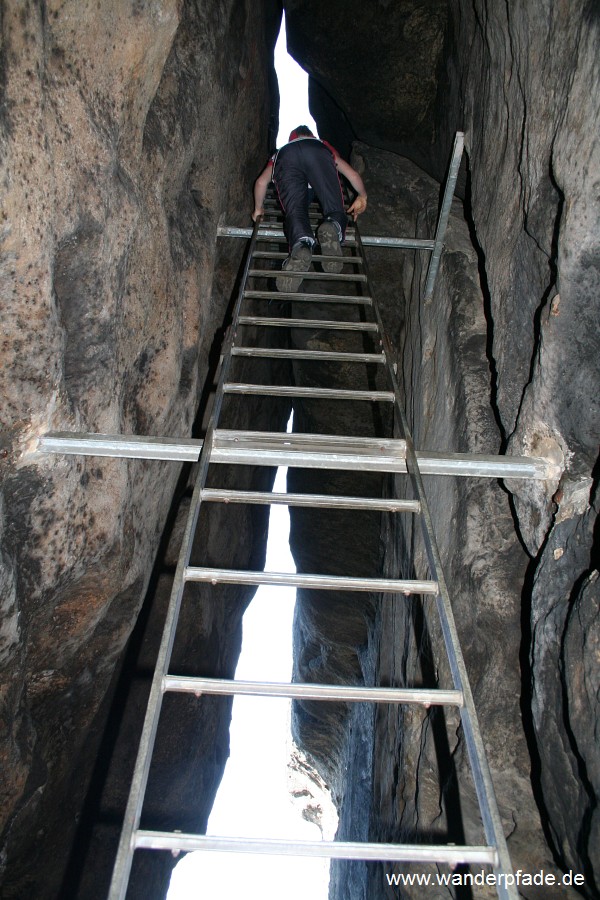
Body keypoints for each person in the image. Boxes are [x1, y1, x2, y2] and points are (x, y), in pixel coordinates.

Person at [252, 126, 368, 292]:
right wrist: (362, 195)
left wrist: (258, 208)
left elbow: (261, 182)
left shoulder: (280, 152)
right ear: (311, 135)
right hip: (318, 154)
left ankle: (302, 243)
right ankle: (333, 225)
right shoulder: (322, 145)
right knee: (334, 205)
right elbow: (353, 175)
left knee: (295, 210)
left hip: (287, 158)